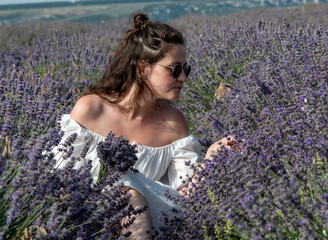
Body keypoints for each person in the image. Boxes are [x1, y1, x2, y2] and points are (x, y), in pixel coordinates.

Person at [52, 12, 236, 239]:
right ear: (143, 68)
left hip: (152, 223)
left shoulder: (173, 123)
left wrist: (210, 159)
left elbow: (184, 200)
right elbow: (58, 180)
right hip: (86, 221)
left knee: (126, 185)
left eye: (186, 69)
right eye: (175, 69)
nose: (183, 78)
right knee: (121, 183)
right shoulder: (91, 109)